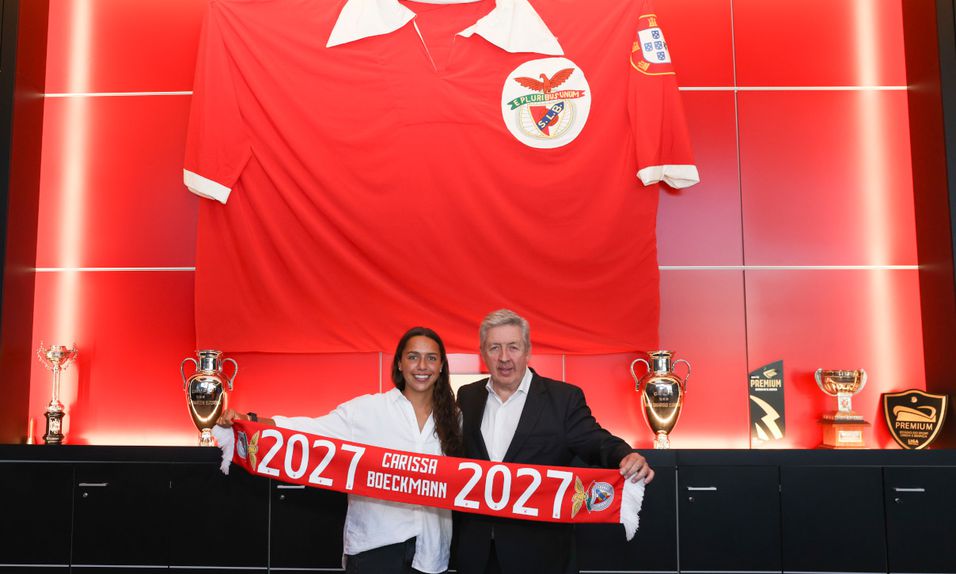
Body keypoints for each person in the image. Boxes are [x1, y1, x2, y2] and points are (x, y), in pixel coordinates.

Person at [216, 326, 462, 574]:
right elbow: (310, 430)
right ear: (399, 363)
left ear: (441, 366)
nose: (422, 365)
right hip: (375, 548)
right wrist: (250, 421)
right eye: (412, 356)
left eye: (431, 358)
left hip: (432, 553)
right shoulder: (369, 410)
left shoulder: (456, 418)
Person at [455, 309, 655, 574]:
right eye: (495, 348)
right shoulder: (467, 396)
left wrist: (624, 455)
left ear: (527, 350)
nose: (504, 358)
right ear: (482, 352)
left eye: (513, 347)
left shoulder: (563, 398)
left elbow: (594, 440)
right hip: (478, 552)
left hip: (540, 553)